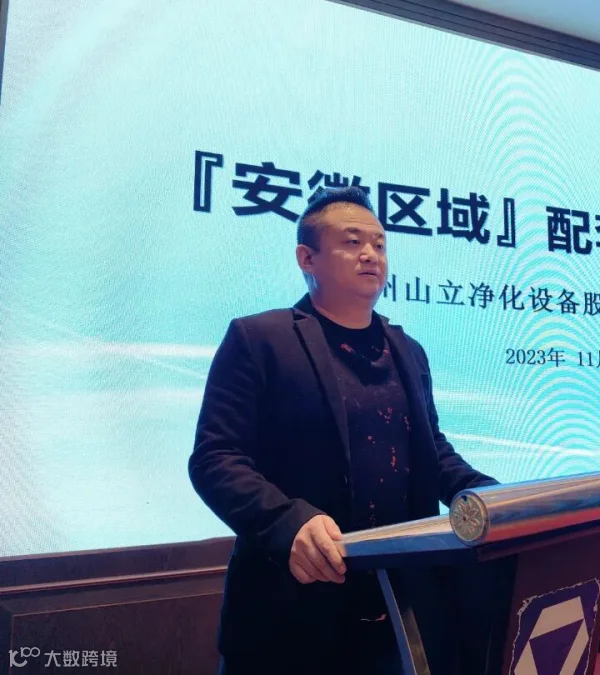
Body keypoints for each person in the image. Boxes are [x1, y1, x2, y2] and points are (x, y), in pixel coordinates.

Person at [188, 186, 499, 675]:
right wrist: (286, 523)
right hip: (292, 612)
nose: (371, 254)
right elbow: (215, 459)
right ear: (306, 258)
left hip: (398, 611)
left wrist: (494, 497)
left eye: (379, 244)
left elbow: (432, 454)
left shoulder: (409, 350)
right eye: (352, 242)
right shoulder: (260, 339)